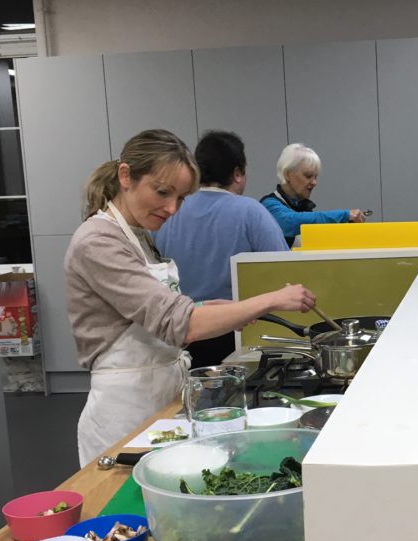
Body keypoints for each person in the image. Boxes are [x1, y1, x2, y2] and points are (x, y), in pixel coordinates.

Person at [64, 129, 316, 465]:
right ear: (126, 176)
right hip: (124, 411)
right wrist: (269, 300)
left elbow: (148, 310)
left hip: (160, 397)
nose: (171, 209)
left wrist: (210, 307)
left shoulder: (139, 236)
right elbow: (178, 324)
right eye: (163, 192)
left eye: (181, 198)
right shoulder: (97, 241)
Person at [152, 130, 289, 367]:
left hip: (176, 336)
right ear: (237, 173)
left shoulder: (168, 213)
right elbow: (283, 270)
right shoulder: (251, 212)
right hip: (233, 336)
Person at [260, 143, 366, 246]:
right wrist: (344, 215)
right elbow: (292, 221)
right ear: (287, 174)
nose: (314, 182)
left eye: (315, 177)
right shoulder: (269, 206)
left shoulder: (303, 207)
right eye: (308, 176)